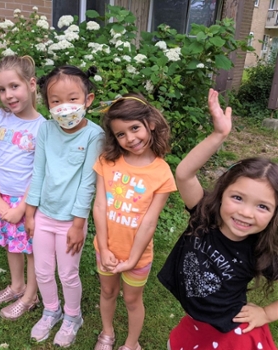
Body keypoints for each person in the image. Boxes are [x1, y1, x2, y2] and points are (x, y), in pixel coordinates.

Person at [158, 89, 278, 350]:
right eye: (238, 198)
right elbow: (184, 174)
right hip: (194, 321)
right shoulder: (205, 216)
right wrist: (218, 135)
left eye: (262, 206)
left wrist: (267, 313)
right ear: (221, 194)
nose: (246, 212)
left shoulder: (260, 249)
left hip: (231, 332)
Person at [25, 65, 104, 347]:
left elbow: (87, 183)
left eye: (72, 99)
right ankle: (51, 310)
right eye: (55, 101)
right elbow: (39, 172)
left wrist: (79, 224)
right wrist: (30, 212)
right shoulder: (46, 130)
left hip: (71, 220)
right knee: (43, 271)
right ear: (47, 104)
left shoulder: (94, 136)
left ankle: (73, 316)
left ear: (88, 100)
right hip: (43, 215)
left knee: (67, 273)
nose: (64, 107)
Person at [92, 93, 177, 350]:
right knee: (107, 293)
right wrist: (105, 249)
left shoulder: (161, 172)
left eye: (135, 128)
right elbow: (99, 205)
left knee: (132, 300)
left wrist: (131, 259)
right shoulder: (107, 162)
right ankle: (107, 333)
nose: (130, 138)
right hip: (106, 250)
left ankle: (131, 343)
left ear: (149, 123)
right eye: (121, 134)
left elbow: (149, 223)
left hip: (137, 256)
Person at [0, 55, 45, 320]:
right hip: (3, 198)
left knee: (31, 249)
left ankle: (31, 296)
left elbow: (41, 172)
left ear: (31, 84)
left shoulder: (43, 127)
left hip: (27, 202)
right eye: (2, 89)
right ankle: (17, 286)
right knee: (12, 244)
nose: (8, 95)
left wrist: (22, 208)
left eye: (14, 86)